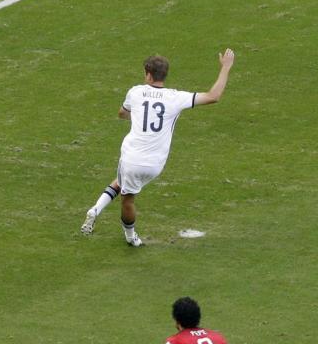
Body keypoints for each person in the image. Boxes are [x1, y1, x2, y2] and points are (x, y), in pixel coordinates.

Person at [80, 50, 236, 246]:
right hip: (154, 164)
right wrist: (226, 67)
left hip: (132, 157)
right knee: (123, 182)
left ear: (148, 74)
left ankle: (129, 236)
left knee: (127, 198)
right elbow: (213, 96)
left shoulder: (135, 92)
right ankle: (97, 210)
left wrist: (136, 116)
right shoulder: (175, 97)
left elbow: (122, 113)